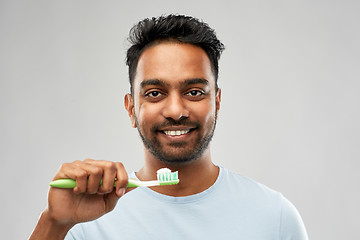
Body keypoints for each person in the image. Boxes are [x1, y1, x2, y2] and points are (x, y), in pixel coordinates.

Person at [30, 14, 308, 240]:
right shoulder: (84, 222)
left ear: (217, 102)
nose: (176, 111)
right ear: (131, 108)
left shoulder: (275, 217)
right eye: (154, 93)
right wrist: (54, 223)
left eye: (195, 92)